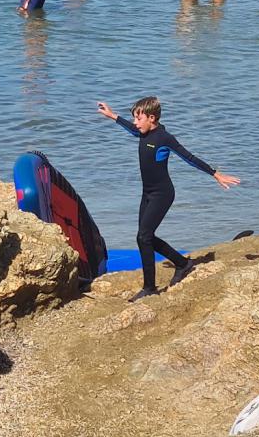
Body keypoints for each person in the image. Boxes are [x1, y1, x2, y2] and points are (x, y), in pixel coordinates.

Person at [96, 96, 239, 301]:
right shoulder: (142, 132)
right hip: (147, 194)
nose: (135, 123)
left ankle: (150, 288)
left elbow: (189, 157)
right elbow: (130, 128)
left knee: (145, 236)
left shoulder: (164, 138)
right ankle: (182, 263)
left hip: (162, 195)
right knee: (143, 237)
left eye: (139, 118)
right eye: (134, 119)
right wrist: (112, 115)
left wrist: (215, 173)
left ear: (151, 118)